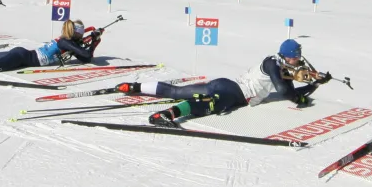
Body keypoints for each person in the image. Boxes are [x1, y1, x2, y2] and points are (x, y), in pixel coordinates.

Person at [116, 39, 331, 128]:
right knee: (208, 105)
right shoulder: (272, 64)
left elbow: (291, 88)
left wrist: (316, 84)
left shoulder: (281, 67)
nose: (298, 61)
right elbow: (286, 91)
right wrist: (300, 97)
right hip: (234, 92)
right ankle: (166, 114)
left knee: (178, 90)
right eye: (295, 58)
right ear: (286, 56)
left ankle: (133, 87)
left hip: (226, 85)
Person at [0, 19, 104, 77]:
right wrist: (93, 42)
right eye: (82, 32)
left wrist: (93, 41)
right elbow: (86, 55)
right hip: (23, 57)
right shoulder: (65, 42)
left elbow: (84, 58)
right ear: (76, 33)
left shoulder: (67, 42)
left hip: (24, 55)